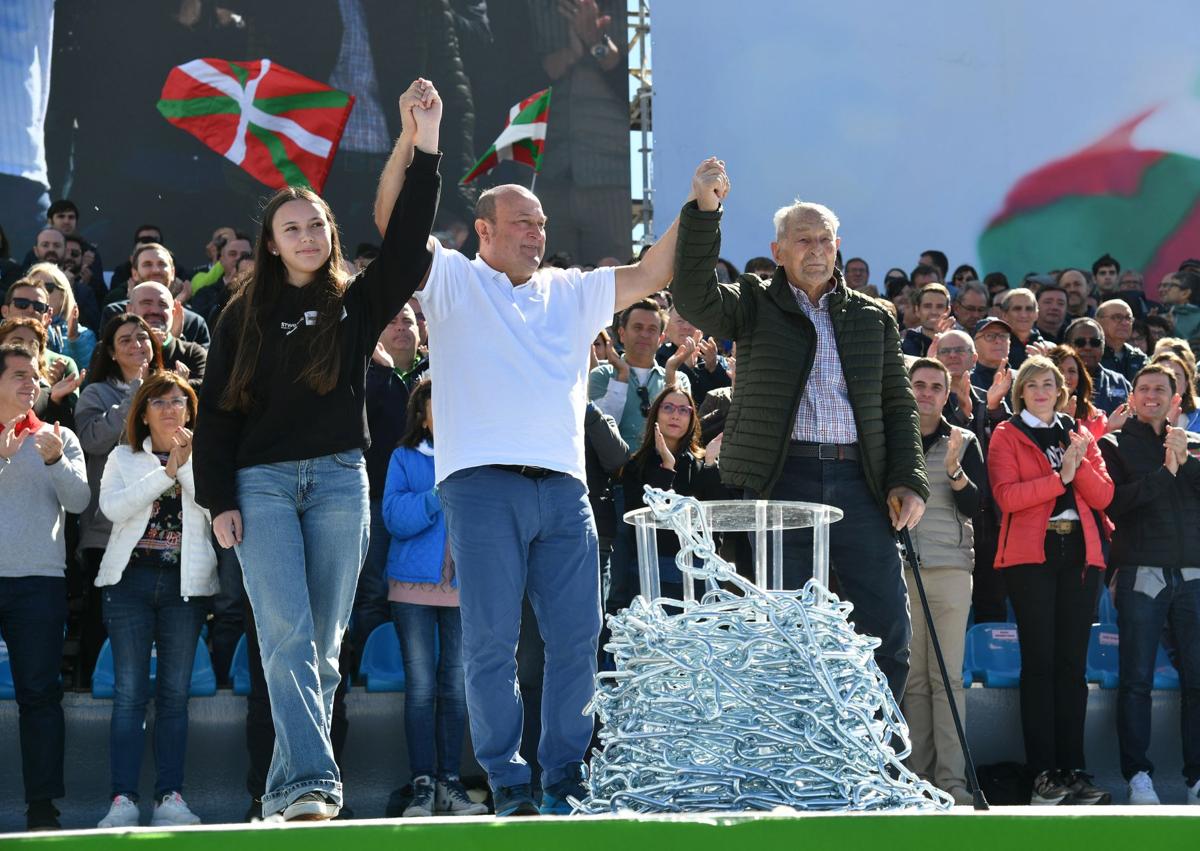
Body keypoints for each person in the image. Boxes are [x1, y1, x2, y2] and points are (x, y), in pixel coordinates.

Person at [409, 138, 721, 811]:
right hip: (482, 485)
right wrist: (418, 146)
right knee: (491, 640)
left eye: (543, 222)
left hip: (565, 488)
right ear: (485, 230)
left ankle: (565, 775)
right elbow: (395, 224)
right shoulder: (454, 279)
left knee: (578, 639)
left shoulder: (572, 290)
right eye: (523, 222)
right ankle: (507, 778)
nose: (537, 232)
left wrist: (697, 208)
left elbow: (653, 267)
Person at [192, 78, 442, 822]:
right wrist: (220, 500)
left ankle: (285, 791)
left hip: (339, 485)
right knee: (288, 636)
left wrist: (420, 142)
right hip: (261, 486)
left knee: (324, 651)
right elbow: (217, 413)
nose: (306, 236)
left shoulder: (357, 304)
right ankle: (308, 787)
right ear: (271, 242)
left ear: (330, 234)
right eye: (291, 227)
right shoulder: (243, 316)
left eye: (316, 225)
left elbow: (406, 243)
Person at [671, 181, 929, 701]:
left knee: (886, 632)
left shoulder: (872, 316)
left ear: (839, 245)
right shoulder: (751, 303)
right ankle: (794, 762)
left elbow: (899, 407)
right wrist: (706, 210)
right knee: (782, 629)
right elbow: (693, 294)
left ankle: (868, 757)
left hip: (862, 483)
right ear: (778, 251)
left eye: (825, 240)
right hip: (782, 481)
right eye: (803, 240)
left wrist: (909, 480)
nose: (816, 250)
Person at [988, 355, 1114, 806]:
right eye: (1032, 384)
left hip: (1080, 554)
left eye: (1049, 384)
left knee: (1071, 667)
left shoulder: (1078, 434)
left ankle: (1073, 769)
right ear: (1020, 391)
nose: (1041, 390)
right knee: (1039, 664)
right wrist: (1059, 477)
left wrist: (1077, 465)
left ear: (1061, 391)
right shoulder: (1006, 434)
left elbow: (1104, 495)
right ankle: (1044, 773)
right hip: (1032, 556)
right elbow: (1006, 498)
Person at [94, 373, 216, 828]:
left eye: (179, 402)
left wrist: (183, 467)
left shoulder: (205, 456)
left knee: (174, 696)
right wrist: (165, 474)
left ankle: (170, 797)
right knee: (129, 695)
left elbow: (212, 506)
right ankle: (123, 799)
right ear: (143, 412)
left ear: (190, 411)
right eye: (160, 402)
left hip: (184, 589)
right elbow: (113, 509)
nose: (169, 410)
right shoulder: (123, 456)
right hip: (129, 584)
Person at [381, 379, 486, 817]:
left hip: (464, 590)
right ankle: (422, 783)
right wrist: (436, 496)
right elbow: (393, 518)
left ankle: (450, 782)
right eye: (435, 407)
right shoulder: (404, 457)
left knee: (457, 689)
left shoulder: (479, 460)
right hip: (411, 588)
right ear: (421, 415)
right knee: (422, 688)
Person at [1098, 364, 1200, 806]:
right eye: (1144, 389)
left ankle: (1196, 778)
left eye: (1162, 389)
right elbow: (1117, 505)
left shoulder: (1193, 444)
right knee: (1135, 680)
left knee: (1198, 682)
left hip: (1194, 573)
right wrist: (1166, 470)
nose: (1152, 395)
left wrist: (1186, 461)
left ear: (1177, 399)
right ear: (1133, 396)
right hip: (1141, 571)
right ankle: (1138, 775)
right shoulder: (1113, 444)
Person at [0, 342, 91, 831]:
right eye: (17, 375)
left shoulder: (60, 436)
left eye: (32, 376)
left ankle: (42, 808)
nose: (28, 384)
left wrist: (56, 461)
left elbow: (78, 503)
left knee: (40, 696)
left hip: (39, 582)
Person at [904, 358, 984, 806]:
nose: (926, 393)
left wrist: (954, 469)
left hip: (951, 568)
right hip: (901, 569)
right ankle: (920, 778)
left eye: (936, 386)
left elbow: (977, 505)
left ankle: (952, 781)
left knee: (948, 678)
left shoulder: (964, 439)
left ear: (947, 393)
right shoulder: (892, 437)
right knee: (914, 680)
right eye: (919, 384)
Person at [75, 314, 165, 684]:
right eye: (125, 340)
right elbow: (92, 440)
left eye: (142, 338)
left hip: (159, 530)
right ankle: (89, 684)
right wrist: (134, 396)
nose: (136, 345)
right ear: (111, 353)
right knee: (101, 618)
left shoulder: (168, 390)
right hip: (107, 530)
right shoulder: (96, 393)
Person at [610, 385, 725, 609]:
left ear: (692, 418)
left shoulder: (700, 464)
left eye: (684, 410)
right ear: (656, 414)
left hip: (699, 572)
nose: (675, 415)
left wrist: (711, 464)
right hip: (653, 572)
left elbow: (715, 523)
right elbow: (646, 519)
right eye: (668, 407)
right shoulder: (635, 466)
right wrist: (667, 468)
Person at [589, 299, 691, 445]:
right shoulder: (601, 375)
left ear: (661, 338)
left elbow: (678, 434)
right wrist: (622, 377)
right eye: (638, 327)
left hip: (659, 465)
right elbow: (600, 431)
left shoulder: (678, 378)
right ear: (622, 333)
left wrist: (670, 377)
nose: (644, 334)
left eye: (652, 329)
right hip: (615, 466)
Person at [26, 261, 96, 370]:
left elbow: (86, 379)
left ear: (63, 295)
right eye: (32, 287)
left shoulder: (84, 336)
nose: (39, 293)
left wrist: (73, 340)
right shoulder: (12, 330)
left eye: (47, 288)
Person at [1064, 317, 1131, 414]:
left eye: (1095, 342)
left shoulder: (1119, 382)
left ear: (1103, 346)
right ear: (1068, 346)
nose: (1087, 347)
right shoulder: (1057, 381)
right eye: (1080, 342)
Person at [1047, 345, 1110, 440]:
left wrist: (1111, 427)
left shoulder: (1095, 417)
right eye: (1059, 370)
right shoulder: (1037, 413)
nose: (1066, 376)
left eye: (1072, 371)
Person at [1097, 299, 1148, 383]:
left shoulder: (1138, 358)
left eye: (1128, 318)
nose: (1125, 323)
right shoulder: (1091, 355)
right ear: (1099, 321)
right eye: (1117, 317)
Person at [1150, 351, 1200, 432]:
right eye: (1162, 374)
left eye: (1176, 375)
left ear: (1186, 384)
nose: (1169, 381)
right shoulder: (1134, 416)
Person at [998, 288, 1045, 369]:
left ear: (1036, 314)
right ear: (1004, 315)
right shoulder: (996, 347)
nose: (1023, 315)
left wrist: (1044, 362)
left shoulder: (1049, 348)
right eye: (1017, 309)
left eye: (1029, 309)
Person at [902, 283, 952, 357]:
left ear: (948, 311)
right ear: (917, 310)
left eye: (939, 306)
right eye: (927, 306)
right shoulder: (904, 347)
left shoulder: (959, 342)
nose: (934, 312)